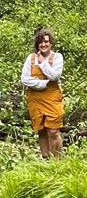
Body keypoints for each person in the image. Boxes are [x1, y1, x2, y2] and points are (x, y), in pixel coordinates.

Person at [20, 29, 64, 158]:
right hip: (35, 99)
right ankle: (46, 161)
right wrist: (43, 83)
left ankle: (59, 161)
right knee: (42, 131)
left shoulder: (57, 57)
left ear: (51, 43)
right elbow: (25, 79)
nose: (43, 45)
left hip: (53, 98)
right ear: (37, 44)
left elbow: (55, 76)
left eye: (46, 42)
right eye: (40, 42)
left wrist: (43, 63)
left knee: (53, 131)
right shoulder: (31, 58)